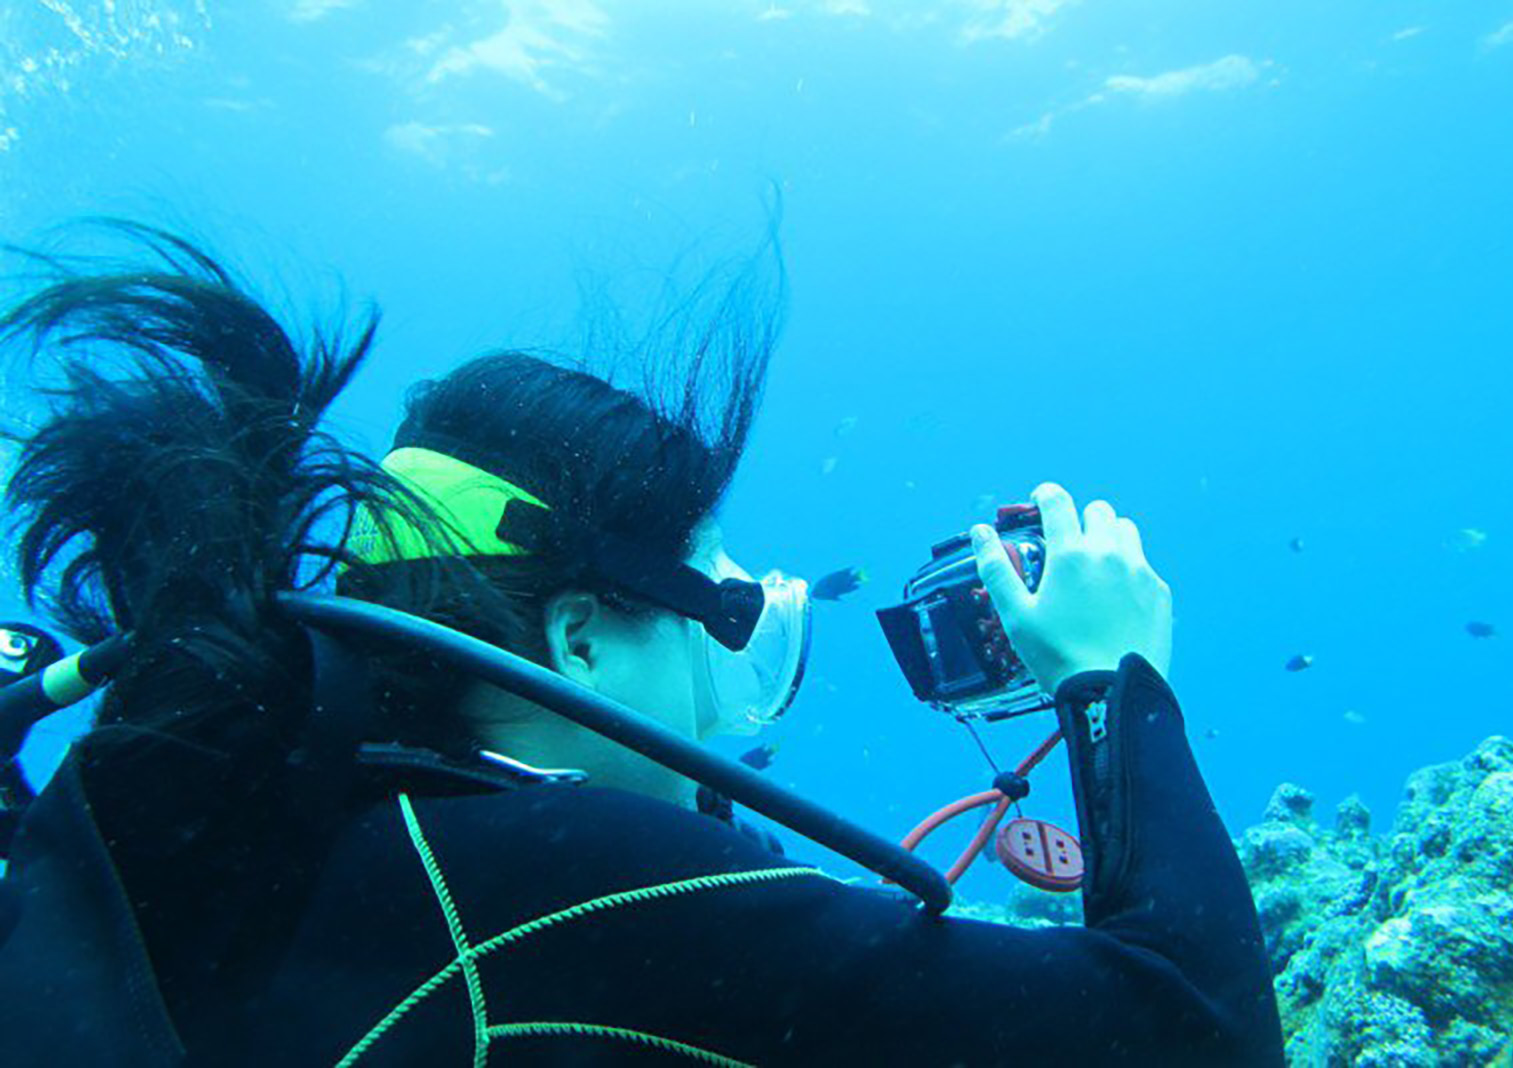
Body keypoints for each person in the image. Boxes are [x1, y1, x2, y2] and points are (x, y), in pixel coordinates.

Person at [0, 228, 1284, 1065]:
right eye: (711, 618)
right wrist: (1113, 681)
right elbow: (1196, 1032)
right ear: (578, 638)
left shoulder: (311, 822)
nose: (734, 685)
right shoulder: (569, 876)